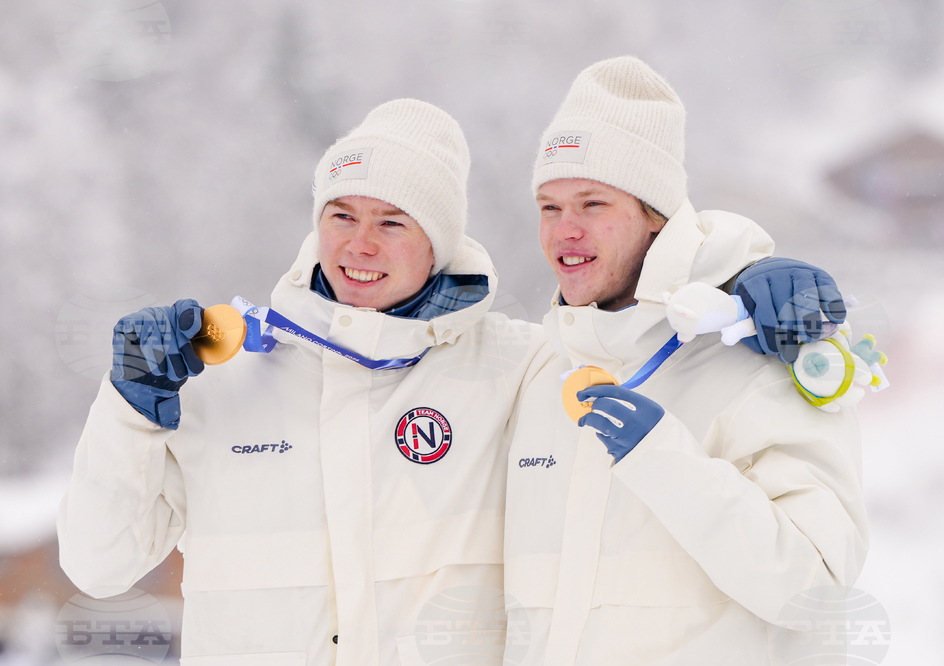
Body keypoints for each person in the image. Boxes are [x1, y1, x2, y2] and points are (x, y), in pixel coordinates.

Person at [59, 98, 846, 665]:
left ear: (437, 242)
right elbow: (97, 566)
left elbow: (631, 319)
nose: (359, 245)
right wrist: (125, 410)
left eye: (393, 221)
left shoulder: (519, 371)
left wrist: (741, 268)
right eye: (341, 214)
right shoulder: (220, 376)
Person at [503, 57, 868, 665]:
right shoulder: (541, 369)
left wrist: (661, 460)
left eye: (592, 203)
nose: (564, 230)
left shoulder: (764, 348)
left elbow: (817, 590)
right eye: (549, 206)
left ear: (657, 216)